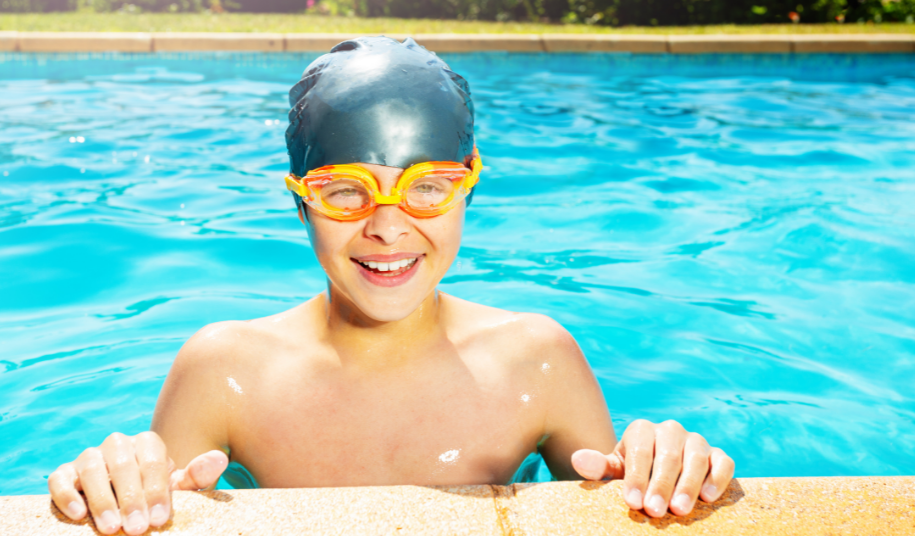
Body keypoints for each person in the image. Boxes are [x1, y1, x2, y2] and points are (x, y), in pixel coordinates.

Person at [48, 36, 734, 536]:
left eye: (427, 190)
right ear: (299, 203)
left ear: (469, 190)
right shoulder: (226, 370)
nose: (386, 228)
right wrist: (114, 479)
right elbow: (145, 505)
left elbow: (617, 503)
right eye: (344, 192)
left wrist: (666, 467)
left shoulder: (537, 359)